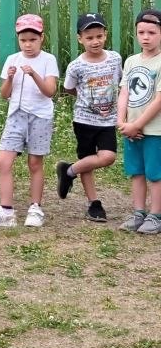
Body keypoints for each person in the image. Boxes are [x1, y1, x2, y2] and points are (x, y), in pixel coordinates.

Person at [0, 14, 59, 228]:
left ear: (41, 38)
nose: (28, 44)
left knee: (35, 162)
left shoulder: (48, 60)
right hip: (16, 114)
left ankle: (35, 207)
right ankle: (6, 212)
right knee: (3, 161)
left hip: (40, 116)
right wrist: (10, 77)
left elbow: (50, 91)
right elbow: (5, 94)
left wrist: (34, 74)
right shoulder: (13, 59)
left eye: (32, 40)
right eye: (23, 40)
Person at [56, 13, 120, 222]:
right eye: (90, 37)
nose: (95, 41)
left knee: (108, 157)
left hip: (108, 120)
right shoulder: (76, 66)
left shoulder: (114, 58)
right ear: (80, 38)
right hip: (84, 120)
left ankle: (69, 171)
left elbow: (119, 84)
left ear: (106, 35)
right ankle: (94, 204)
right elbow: (69, 89)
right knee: (88, 160)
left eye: (99, 36)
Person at [117, 10, 161, 235]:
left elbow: (159, 100)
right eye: (141, 32)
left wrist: (138, 124)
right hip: (131, 129)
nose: (146, 37)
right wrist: (122, 122)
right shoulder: (132, 61)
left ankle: (156, 214)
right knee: (136, 171)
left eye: (152, 32)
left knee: (155, 173)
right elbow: (124, 92)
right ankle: (138, 212)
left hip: (154, 130)